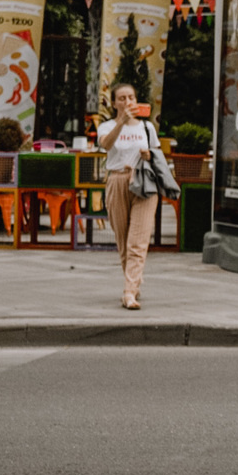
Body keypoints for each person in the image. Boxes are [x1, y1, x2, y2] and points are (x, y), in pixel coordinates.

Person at [97, 84, 162, 311]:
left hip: (144, 183)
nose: (127, 102)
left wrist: (149, 154)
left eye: (131, 97)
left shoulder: (147, 127)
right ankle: (133, 283)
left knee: (138, 241)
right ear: (114, 103)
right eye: (122, 98)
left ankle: (128, 292)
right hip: (118, 180)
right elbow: (105, 145)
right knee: (123, 240)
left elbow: (158, 153)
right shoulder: (106, 126)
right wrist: (122, 122)